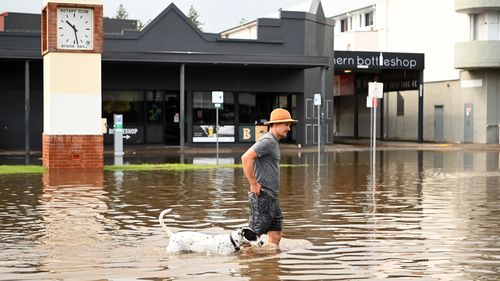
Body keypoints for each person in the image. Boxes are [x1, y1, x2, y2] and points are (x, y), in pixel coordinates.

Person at [241, 108, 298, 246]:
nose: (288, 129)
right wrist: (253, 184)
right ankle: (244, 263)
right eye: (286, 125)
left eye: (289, 125)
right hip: (263, 195)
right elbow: (246, 158)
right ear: (276, 124)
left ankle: (271, 265)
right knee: (252, 237)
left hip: (272, 196)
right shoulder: (268, 140)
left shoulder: (273, 141)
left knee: (276, 235)